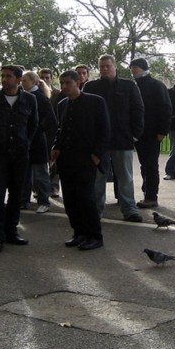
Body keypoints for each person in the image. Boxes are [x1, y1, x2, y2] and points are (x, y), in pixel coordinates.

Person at [0, 65, 38, 252]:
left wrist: (26, 142)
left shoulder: (30, 99)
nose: (4, 79)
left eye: (9, 76)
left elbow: (33, 124)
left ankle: (11, 232)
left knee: (16, 195)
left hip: (20, 155)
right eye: (2, 76)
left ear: (19, 79)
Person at [52, 69, 110, 251]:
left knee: (86, 199)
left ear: (77, 83)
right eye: (61, 83)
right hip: (66, 159)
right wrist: (56, 147)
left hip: (86, 159)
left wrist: (96, 155)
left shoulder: (95, 102)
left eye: (67, 83)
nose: (64, 87)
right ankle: (79, 233)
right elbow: (61, 129)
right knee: (70, 200)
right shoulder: (62, 104)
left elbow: (105, 130)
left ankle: (94, 236)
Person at [83, 54, 145, 222]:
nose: (104, 68)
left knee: (125, 177)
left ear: (115, 66)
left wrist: (135, 135)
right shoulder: (90, 86)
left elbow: (138, 111)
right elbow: (85, 113)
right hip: (98, 142)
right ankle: (95, 210)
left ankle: (129, 209)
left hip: (123, 139)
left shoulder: (129, 86)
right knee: (97, 178)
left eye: (107, 66)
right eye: (101, 66)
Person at [129, 58, 172, 208]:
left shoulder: (156, 85)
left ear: (142, 68)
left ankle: (151, 196)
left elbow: (166, 109)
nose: (132, 70)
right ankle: (147, 192)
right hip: (139, 133)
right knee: (144, 165)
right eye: (131, 67)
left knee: (151, 165)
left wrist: (162, 131)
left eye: (135, 67)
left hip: (153, 133)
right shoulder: (134, 85)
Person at [21, 70, 58, 214]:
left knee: (41, 173)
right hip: (25, 141)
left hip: (37, 142)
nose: (22, 83)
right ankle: (24, 200)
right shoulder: (22, 96)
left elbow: (52, 121)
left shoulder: (40, 98)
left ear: (34, 82)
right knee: (25, 173)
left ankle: (44, 201)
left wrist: (36, 130)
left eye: (25, 80)